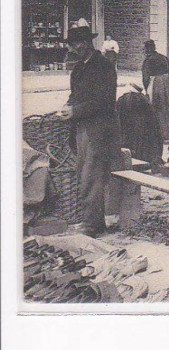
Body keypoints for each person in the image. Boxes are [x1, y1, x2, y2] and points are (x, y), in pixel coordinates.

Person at [55, 24, 122, 236]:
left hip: (100, 129)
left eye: (73, 45)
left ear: (84, 44)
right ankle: (93, 221)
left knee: (91, 177)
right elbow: (75, 95)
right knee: (83, 174)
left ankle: (91, 225)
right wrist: (68, 106)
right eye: (71, 45)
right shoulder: (78, 68)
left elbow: (105, 101)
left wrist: (75, 111)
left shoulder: (104, 66)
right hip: (82, 128)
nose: (71, 49)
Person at [142, 40, 169, 141]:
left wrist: (146, 90)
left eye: (144, 49)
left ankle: (161, 134)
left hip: (156, 83)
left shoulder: (148, 60)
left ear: (147, 49)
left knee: (157, 107)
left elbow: (145, 78)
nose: (144, 51)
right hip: (167, 82)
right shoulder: (164, 57)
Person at [116, 82, 164, 171]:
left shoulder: (121, 99)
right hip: (143, 132)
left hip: (127, 132)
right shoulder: (144, 99)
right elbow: (153, 121)